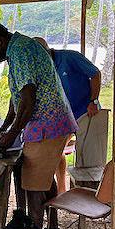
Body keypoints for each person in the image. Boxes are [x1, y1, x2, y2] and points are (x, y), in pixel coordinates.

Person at [0, 21, 78, 229]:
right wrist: (3, 129)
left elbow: (29, 100)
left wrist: (12, 134)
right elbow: (17, 99)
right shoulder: (18, 50)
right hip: (55, 123)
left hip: (47, 125)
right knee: (43, 180)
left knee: (32, 183)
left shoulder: (20, 51)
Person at [35, 37, 101, 194]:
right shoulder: (41, 67)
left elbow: (95, 74)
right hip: (63, 116)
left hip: (86, 111)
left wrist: (94, 100)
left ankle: (90, 192)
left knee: (89, 157)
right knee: (56, 150)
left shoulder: (70, 57)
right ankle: (62, 189)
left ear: (46, 51)